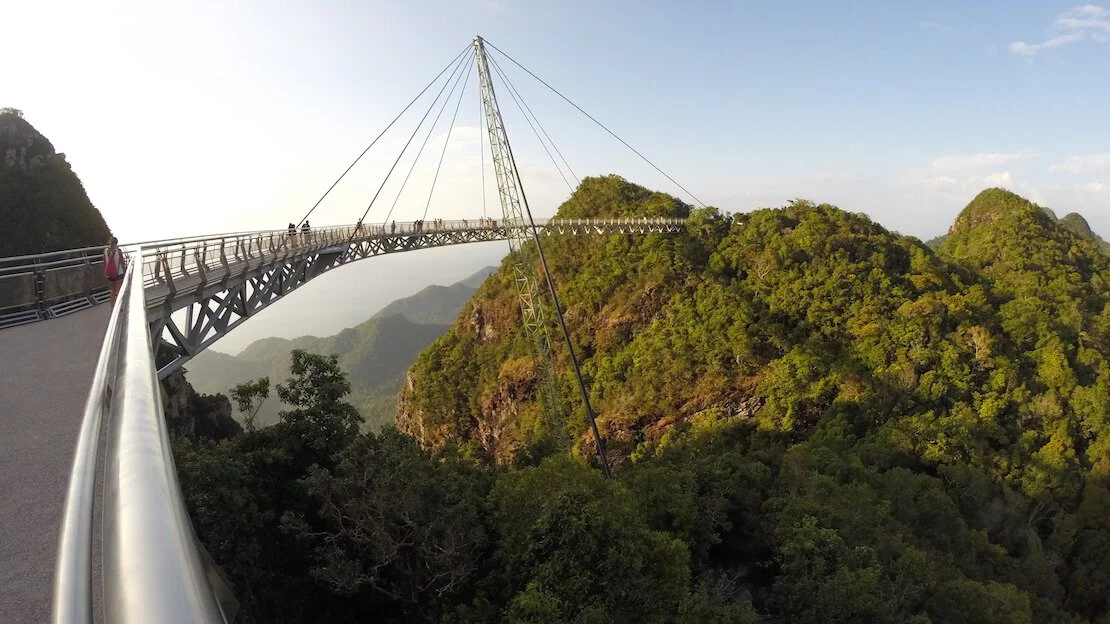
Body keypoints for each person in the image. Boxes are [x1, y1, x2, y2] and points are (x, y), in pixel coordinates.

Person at [103, 237, 127, 305]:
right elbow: (122, 263)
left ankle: (112, 307)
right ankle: (120, 306)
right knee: (119, 291)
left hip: (110, 274)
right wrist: (125, 272)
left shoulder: (105, 251)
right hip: (119, 273)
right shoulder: (118, 251)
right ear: (116, 243)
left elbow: (104, 263)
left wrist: (105, 273)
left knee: (113, 291)